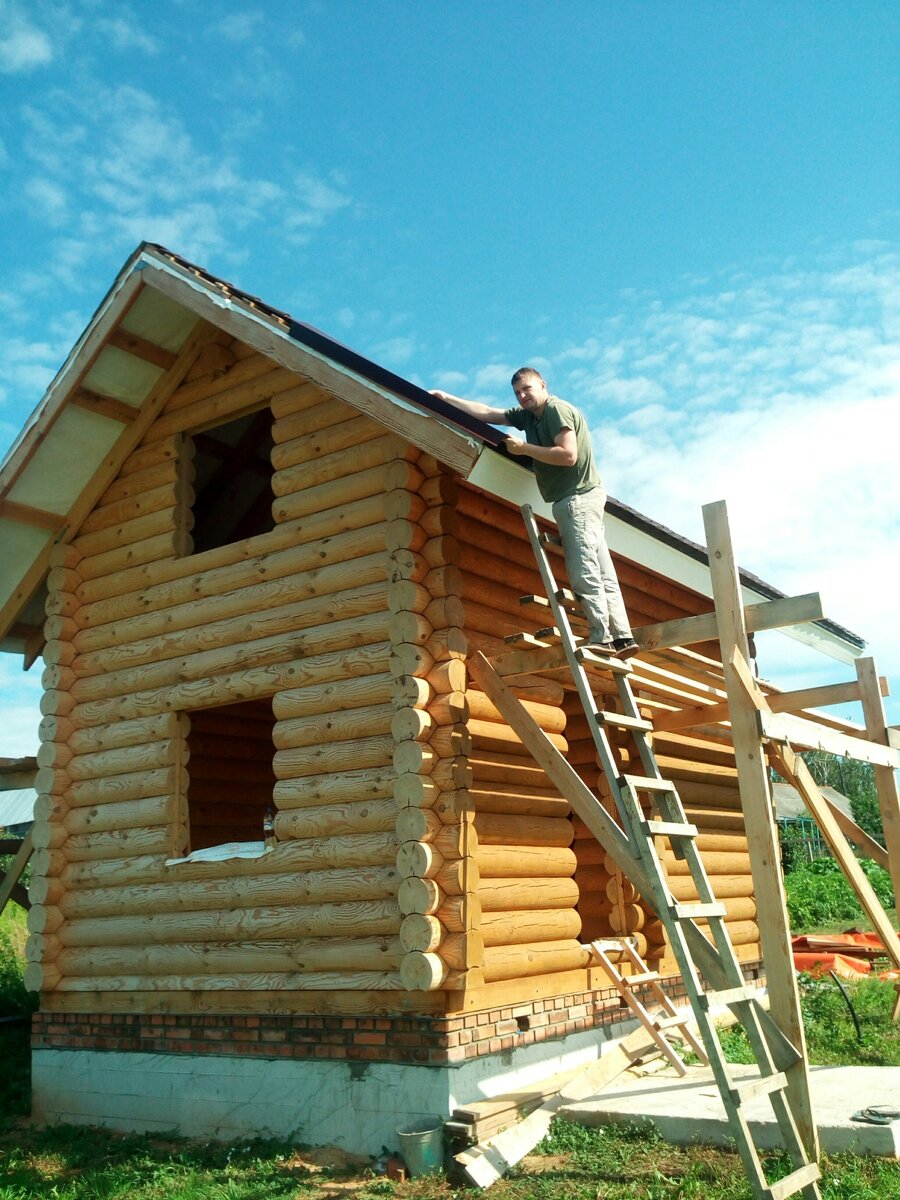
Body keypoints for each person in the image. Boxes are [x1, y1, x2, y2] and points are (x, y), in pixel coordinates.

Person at [431, 368, 638, 658]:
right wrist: (445, 398)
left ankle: (601, 638)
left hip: (576, 499)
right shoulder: (529, 415)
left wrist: (525, 448)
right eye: (517, 392)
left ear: (542, 385)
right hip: (580, 499)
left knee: (583, 571)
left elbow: (568, 455)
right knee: (602, 571)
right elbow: (489, 413)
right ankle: (623, 639)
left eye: (527, 389)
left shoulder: (556, 410)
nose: (522, 395)